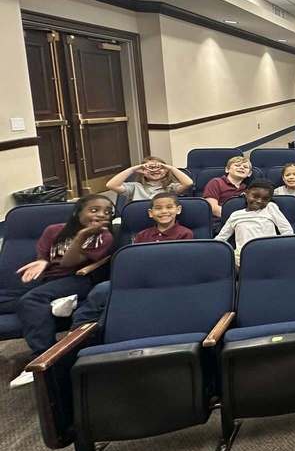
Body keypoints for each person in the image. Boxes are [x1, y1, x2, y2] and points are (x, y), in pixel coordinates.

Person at [4, 194, 114, 388]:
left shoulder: (103, 237)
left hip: (77, 279)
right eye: (94, 210)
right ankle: (56, 304)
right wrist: (42, 261)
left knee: (30, 301)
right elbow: (43, 255)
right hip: (48, 280)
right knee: (15, 299)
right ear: (78, 212)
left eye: (107, 212)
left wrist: (81, 237)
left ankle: (44, 357)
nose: (101, 215)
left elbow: (69, 262)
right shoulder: (53, 230)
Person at [69, 192, 193, 337]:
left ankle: (100, 332)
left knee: (118, 304)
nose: (164, 211)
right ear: (151, 213)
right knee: (101, 290)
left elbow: (180, 262)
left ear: (178, 210)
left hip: (167, 280)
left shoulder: (185, 234)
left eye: (169, 207)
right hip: (137, 277)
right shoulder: (142, 235)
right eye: (158, 208)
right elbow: (133, 258)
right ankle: (76, 331)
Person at [215, 180, 293, 263]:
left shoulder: (270, 208)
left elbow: (287, 231)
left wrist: (279, 250)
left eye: (265, 199)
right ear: (246, 193)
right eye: (255, 196)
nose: (259, 201)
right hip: (243, 257)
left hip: (270, 254)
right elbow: (221, 238)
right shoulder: (236, 215)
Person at [106, 156, 193, 202]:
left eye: (159, 167)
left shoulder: (171, 188)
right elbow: (111, 185)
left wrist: (170, 168)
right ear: (142, 171)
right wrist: (133, 169)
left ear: (166, 170)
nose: (155, 170)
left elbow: (188, 183)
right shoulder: (135, 187)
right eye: (150, 168)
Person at [203, 155, 252, 219]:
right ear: (227, 169)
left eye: (245, 167)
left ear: (249, 174)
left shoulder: (249, 189)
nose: (241, 168)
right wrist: (235, 218)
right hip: (220, 220)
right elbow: (213, 208)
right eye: (237, 165)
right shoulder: (216, 182)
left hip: (243, 220)